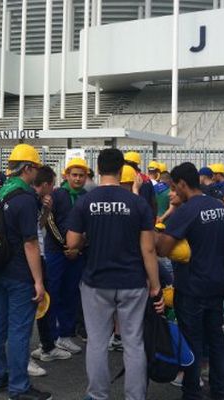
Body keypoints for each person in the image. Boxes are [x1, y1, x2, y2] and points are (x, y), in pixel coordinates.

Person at [66, 148, 162, 400]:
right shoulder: (138, 203)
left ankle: (97, 395)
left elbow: (72, 241)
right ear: (122, 170)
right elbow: (148, 248)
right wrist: (155, 285)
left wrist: (90, 235)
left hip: (96, 280)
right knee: (133, 342)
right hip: (132, 280)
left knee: (97, 342)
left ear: (97, 170)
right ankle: (135, 396)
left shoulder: (86, 201)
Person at [157, 162, 224, 400]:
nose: (174, 191)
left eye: (174, 187)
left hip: (192, 286)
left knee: (192, 341)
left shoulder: (186, 211)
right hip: (217, 282)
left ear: (182, 184)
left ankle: (192, 392)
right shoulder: (218, 206)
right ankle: (220, 391)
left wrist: (157, 231)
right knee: (216, 338)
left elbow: (163, 248)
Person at [0, 144, 51, 400]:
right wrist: (38, 281)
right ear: (27, 168)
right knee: (20, 329)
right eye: (35, 167)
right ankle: (19, 388)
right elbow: (31, 243)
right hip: (20, 271)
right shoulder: (24, 198)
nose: (38, 173)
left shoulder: (4, 192)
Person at [42, 158, 88, 357]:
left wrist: (78, 247)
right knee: (53, 293)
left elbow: (89, 226)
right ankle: (50, 338)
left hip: (77, 253)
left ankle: (66, 335)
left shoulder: (87, 197)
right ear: (66, 176)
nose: (77, 179)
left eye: (81, 175)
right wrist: (66, 245)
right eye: (74, 175)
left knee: (71, 293)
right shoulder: (58, 194)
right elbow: (49, 221)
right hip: (56, 252)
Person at [29, 165, 66, 378]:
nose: (53, 189)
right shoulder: (26, 198)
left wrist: (46, 211)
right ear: (45, 184)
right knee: (29, 305)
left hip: (38, 254)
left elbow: (39, 226)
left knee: (44, 302)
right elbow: (30, 238)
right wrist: (37, 277)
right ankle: (23, 358)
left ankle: (47, 346)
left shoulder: (39, 201)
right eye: (52, 184)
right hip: (31, 258)